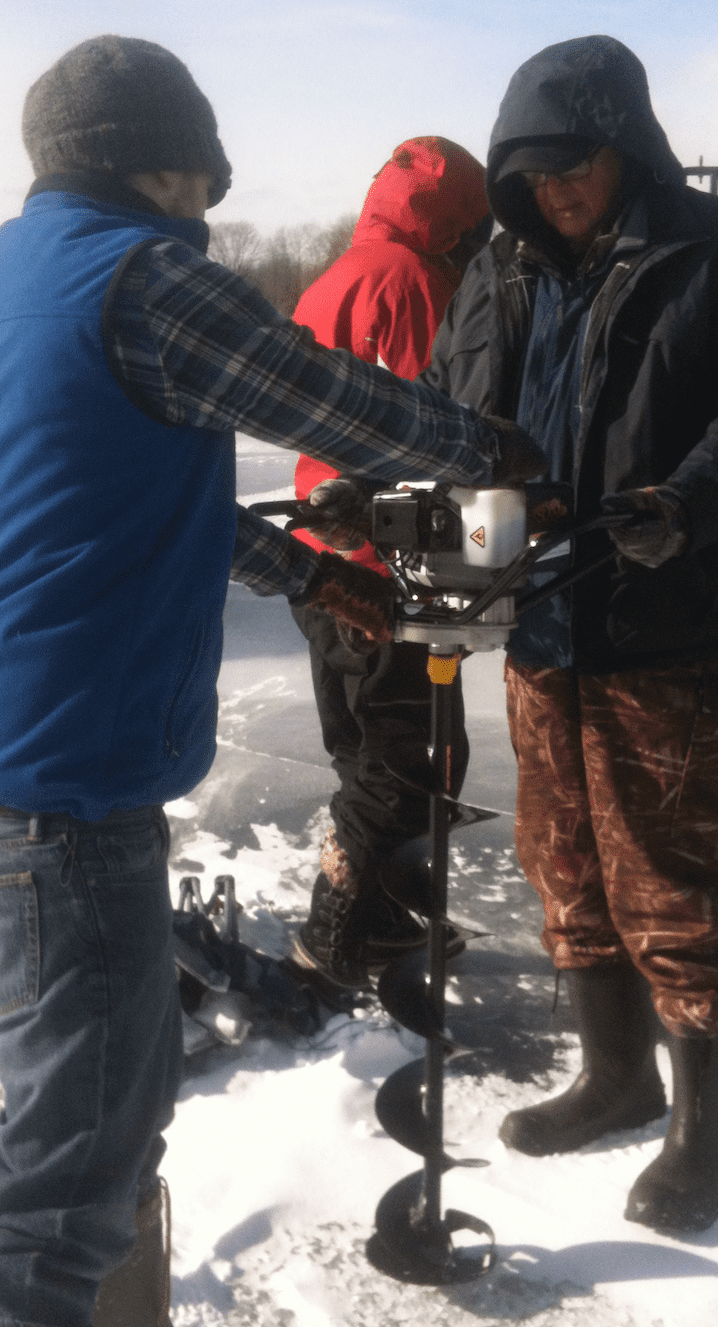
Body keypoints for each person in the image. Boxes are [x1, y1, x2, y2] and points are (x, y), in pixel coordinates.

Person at [0, 36, 545, 1327]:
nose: (209, 199)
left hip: (20, 770)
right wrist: (499, 450)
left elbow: (119, 491)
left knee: (102, 1122)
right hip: (58, 792)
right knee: (68, 1185)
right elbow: (328, 399)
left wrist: (307, 574)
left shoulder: (17, 279)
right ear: (170, 164)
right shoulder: (140, 277)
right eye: (202, 172)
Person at [421, 35, 718, 1233]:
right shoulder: (498, 270)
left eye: (570, 165)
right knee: (567, 867)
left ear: (624, 145)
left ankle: (711, 1135)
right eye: (529, 175)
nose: (553, 192)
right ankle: (612, 1075)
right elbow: (452, 410)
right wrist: (430, 514)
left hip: (677, 630)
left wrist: (681, 506)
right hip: (545, 626)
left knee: (680, 886)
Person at [289, 136, 492, 989]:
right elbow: (429, 426)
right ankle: (336, 937)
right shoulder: (420, 287)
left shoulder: (332, 277)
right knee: (412, 759)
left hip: (316, 549)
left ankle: (374, 913)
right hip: (383, 561)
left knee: (361, 753)